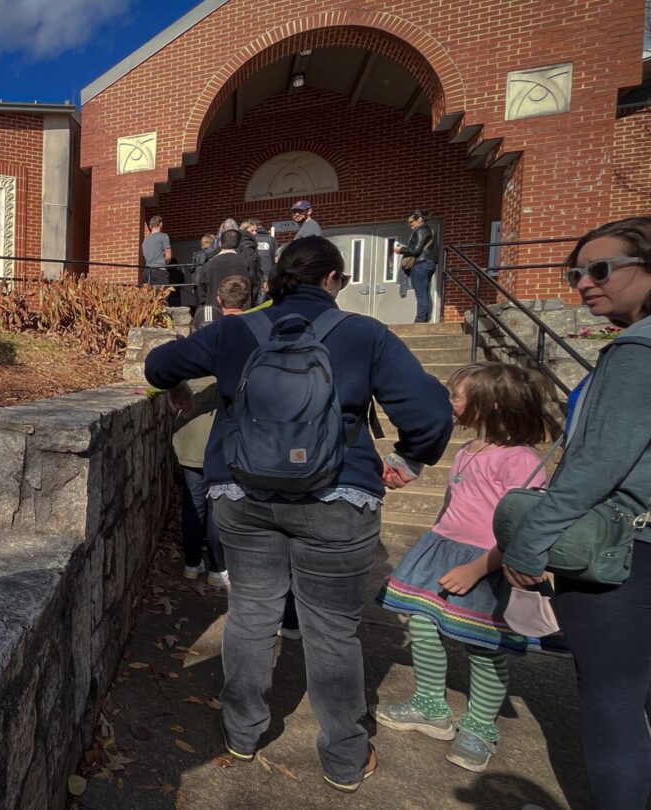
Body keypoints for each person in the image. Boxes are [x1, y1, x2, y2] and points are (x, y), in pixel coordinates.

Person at [145, 236, 452, 793]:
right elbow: (431, 411)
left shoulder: (237, 330)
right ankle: (343, 757)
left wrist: (178, 388)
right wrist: (409, 460)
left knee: (251, 612)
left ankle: (241, 731)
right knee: (333, 630)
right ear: (333, 280)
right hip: (338, 498)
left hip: (242, 494)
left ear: (274, 280)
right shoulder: (366, 335)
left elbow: (159, 362)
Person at [500, 216, 651, 809]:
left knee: (612, 699)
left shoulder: (638, 352)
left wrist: (529, 540)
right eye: (576, 273)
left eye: (601, 269)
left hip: (626, 548)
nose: (584, 284)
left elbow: (596, 464)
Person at [374, 363, 553, 773]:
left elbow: (525, 527)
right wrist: (420, 564)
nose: (449, 403)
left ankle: (480, 727)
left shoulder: (521, 460)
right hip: (444, 549)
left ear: (489, 404)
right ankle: (430, 706)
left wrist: (478, 568)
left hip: (489, 562)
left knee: (485, 646)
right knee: (420, 623)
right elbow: (453, 505)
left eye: (457, 396)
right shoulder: (469, 450)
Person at [173, 275, 254, 590]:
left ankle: (192, 563)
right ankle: (218, 569)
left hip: (190, 441)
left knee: (193, 503)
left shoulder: (185, 353)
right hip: (223, 442)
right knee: (219, 504)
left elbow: (163, 375)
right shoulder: (236, 349)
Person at [194, 230, 254, 328]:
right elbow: (253, 285)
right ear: (238, 244)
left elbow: (201, 293)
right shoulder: (246, 262)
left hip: (215, 315)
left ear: (220, 243)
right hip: (242, 314)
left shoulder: (208, 265)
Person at [394, 210, 438, 323]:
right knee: (425, 292)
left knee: (421, 293)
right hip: (429, 263)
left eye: (412, 221)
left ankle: (420, 320)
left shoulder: (421, 230)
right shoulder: (430, 230)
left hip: (421, 264)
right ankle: (425, 318)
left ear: (419, 219)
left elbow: (415, 249)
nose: (410, 225)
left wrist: (401, 250)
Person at [243, 219, 275, 305]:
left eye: (255, 230)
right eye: (252, 230)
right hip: (260, 279)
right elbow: (274, 259)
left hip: (255, 280)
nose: (255, 233)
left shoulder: (250, 243)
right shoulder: (270, 240)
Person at [141, 215, 173, 289]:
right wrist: (164, 264)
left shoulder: (145, 240)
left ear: (150, 226)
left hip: (147, 272)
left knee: (151, 298)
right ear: (161, 224)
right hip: (159, 271)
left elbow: (144, 257)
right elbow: (168, 256)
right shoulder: (163, 236)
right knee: (163, 296)